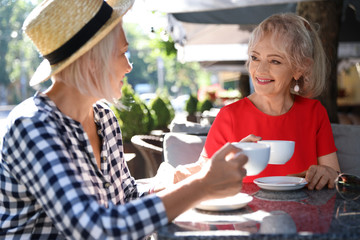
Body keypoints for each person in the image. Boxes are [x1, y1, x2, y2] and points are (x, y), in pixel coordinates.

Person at [0, 0, 248, 239]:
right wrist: (203, 186)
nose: (129, 66)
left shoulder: (104, 117)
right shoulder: (32, 125)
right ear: (93, 60)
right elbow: (96, 230)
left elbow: (125, 196)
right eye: (122, 52)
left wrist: (174, 181)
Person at [173, 13, 340, 191]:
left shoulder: (314, 113)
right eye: (255, 57)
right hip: (244, 213)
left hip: (305, 214)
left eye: (275, 61)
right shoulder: (229, 116)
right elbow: (204, 175)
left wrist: (328, 175)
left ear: (300, 68)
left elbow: (335, 177)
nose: (260, 69)